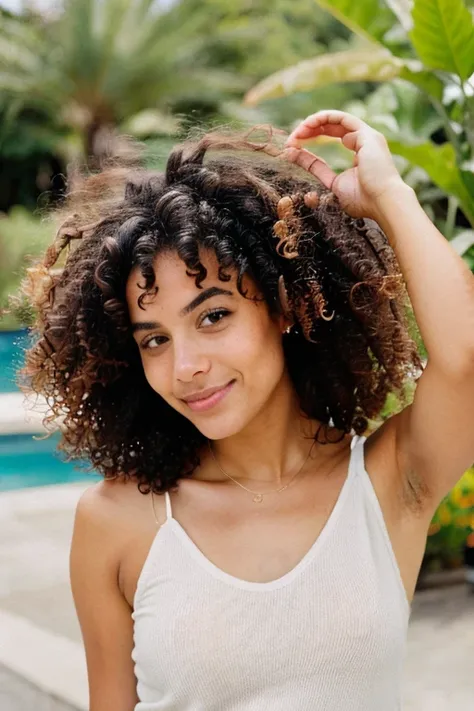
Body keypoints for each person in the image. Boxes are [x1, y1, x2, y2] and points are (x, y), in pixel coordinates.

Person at [17, 111, 474, 711]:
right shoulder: (118, 522)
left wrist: (390, 196)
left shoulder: (387, 484)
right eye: (154, 338)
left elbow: (465, 361)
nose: (186, 366)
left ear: (283, 307)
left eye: (212, 317)